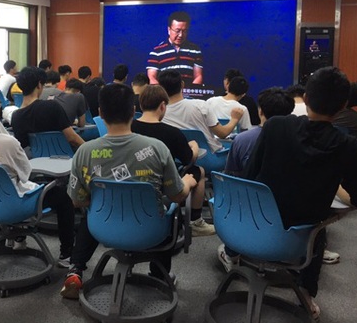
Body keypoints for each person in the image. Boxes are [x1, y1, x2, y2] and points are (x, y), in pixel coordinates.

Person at [220, 67, 357, 319]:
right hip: (298, 243)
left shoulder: (275, 126)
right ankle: (306, 292)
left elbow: (248, 178)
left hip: (247, 230)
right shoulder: (350, 147)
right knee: (319, 227)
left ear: (306, 98)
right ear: (344, 105)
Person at [60, 83, 198, 299]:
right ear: (134, 111)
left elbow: (77, 201)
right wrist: (187, 182)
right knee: (170, 211)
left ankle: (75, 269)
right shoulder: (157, 148)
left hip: (102, 227)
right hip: (150, 230)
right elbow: (176, 195)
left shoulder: (84, 151)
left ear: (100, 113)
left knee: (93, 209)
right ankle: (159, 274)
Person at [0, 85, 74, 266]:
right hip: (14, 205)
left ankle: (14, 236)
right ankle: (66, 255)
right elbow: (25, 173)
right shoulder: (7, 142)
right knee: (62, 196)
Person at [131, 85, 215, 236]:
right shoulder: (172, 133)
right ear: (163, 106)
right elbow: (188, 159)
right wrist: (194, 147)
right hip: (163, 185)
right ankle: (195, 222)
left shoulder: (129, 128)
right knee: (198, 171)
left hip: (131, 180)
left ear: (141, 105)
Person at [158, 69, 243, 153]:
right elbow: (222, 134)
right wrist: (234, 119)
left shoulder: (158, 113)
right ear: (182, 84)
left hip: (179, 158)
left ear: (160, 88)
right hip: (213, 157)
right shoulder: (201, 105)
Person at [224, 87, 294, 176]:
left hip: (247, 184)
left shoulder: (241, 140)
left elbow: (230, 175)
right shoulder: (296, 139)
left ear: (260, 111)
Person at [11, 67, 84, 152]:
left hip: (34, 159)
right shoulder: (51, 106)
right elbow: (72, 138)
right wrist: (89, 150)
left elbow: (22, 147)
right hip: (63, 155)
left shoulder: (15, 116)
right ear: (39, 84)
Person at [147, 11, 203, 87]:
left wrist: (189, 91)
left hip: (188, 92)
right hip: (164, 92)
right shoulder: (156, 52)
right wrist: (162, 92)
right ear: (169, 30)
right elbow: (151, 77)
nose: (180, 35)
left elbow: (198, 76)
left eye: (184, 31)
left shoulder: (195, 50)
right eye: (177, 31)